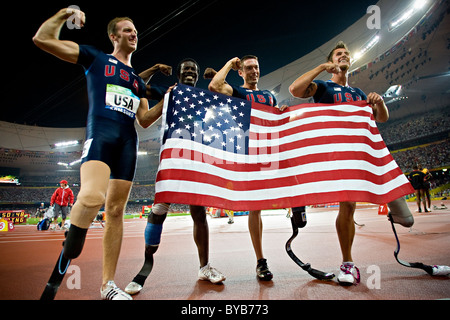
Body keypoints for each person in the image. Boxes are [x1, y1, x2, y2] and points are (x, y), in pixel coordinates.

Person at [33, 8, 163, 300]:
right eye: (128, 30)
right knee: (92, 198)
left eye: (136, 31)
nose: (134, 34)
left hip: (128, 143)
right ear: (113, 35)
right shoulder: (96, 58)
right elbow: (42, 39)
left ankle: (107, 285)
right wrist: (66, 13)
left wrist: (168, 101)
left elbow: (144, 119)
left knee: (116, 212)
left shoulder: (137, 81)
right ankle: (69, 251)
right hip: (100, 136)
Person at [288, 41, 415, 285]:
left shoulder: (358, 94)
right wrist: (320, 67)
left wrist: (379, 102)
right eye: (338, 54)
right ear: (332, 61)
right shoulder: (323, 87)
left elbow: (381, 118)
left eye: (346, 54)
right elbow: (295, 89)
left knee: (407, 220)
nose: (343, 56)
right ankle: (347, 263)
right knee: (347, 205)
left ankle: (392, 211)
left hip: (363, 155)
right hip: (338, 155)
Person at [124, 58, 226, 296]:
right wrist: (155, 69)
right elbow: (133, 84)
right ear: (179, 74)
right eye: (186, 70)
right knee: (159, 209)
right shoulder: (168, 92)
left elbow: (233, 104)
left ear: (198, 76)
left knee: (199, 213)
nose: (190, 72)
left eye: (194, 70)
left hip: (198, 157)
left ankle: (204, 267)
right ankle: (144, 270)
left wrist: (217, 76)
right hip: (172, 155)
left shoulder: (204, 96)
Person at [209, 55, 290, 281]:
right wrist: (228, 63)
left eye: (256, 67)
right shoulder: (239, 93)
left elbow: (274, 123)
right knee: (256, 207)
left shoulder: (269, 96)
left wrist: (280, 114)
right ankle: (261, 261)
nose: (254, 71)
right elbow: (214, 86)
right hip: (249, 152)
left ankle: (295, 231)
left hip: (271, 153)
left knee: (292, 191)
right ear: (241, 72)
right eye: (248, 68)